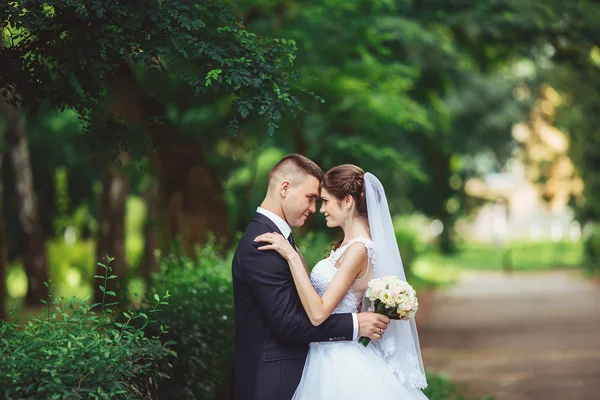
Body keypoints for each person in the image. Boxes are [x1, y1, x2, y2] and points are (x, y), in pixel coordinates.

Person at [256, 164, 429, 399]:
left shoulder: (359, 249)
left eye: (326, 201)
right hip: (322, 351)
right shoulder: (345, 247)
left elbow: (318, 313)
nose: (321, 209)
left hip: (339, 360)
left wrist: (292, 257)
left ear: (347, 201)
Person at [231, 155, 390, 400]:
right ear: (285, 188)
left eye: (322, 200)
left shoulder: (280, 239)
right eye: (311, 198)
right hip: (274, 378)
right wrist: (356, 324)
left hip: (324, 365)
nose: (316, 209)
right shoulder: (262, 243)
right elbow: (289, 324)